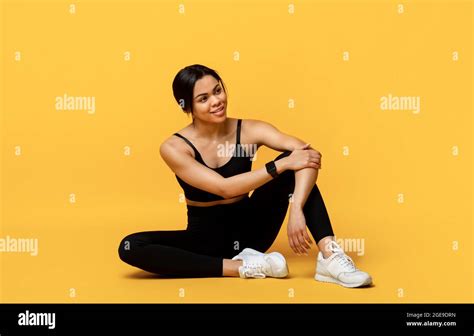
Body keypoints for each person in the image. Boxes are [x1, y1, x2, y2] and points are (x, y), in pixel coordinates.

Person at [118, 64, 372, 288]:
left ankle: (329, 256)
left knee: (295, 162)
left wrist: (296, 208)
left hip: (253, 232)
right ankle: (242, 267)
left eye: (218, 91)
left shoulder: (250, 129)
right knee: (130, 246)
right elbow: (225, 188)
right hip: (203, 242)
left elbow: (308, 154)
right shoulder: (175, 147)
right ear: (187, 106)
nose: (216, 101)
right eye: (203, 98)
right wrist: (278, 166)